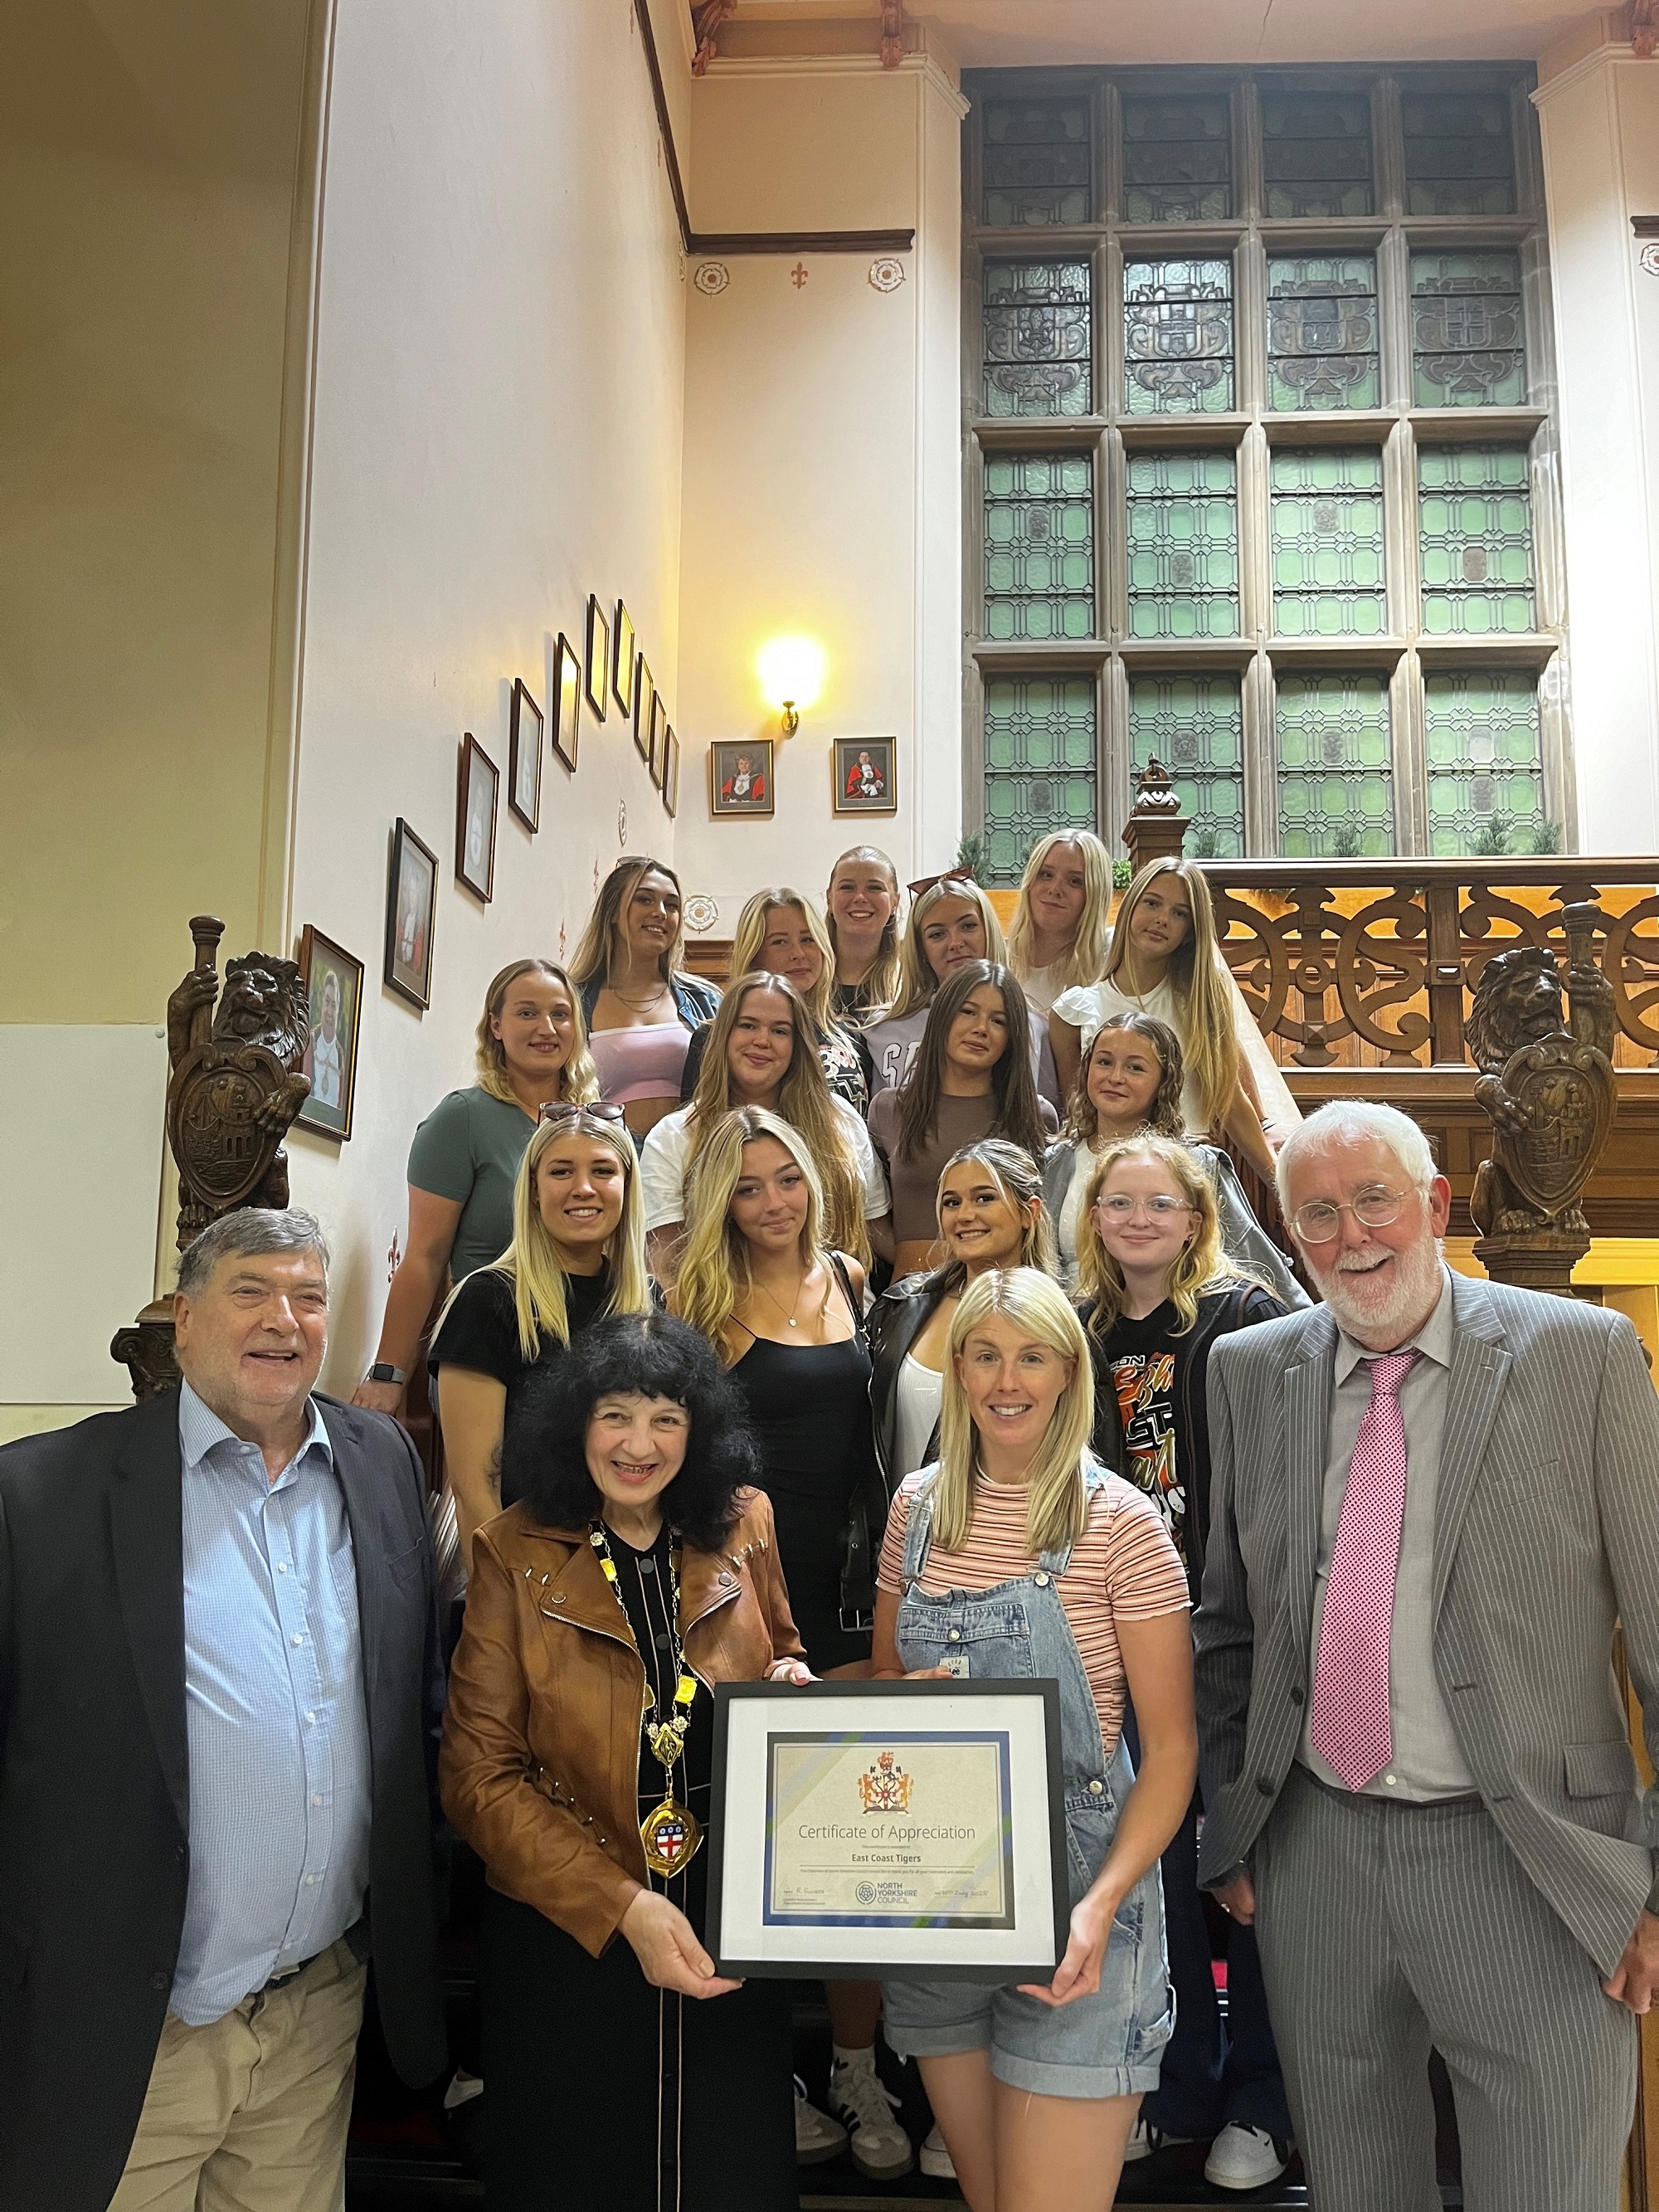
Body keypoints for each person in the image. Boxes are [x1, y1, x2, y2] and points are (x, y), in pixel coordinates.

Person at [1194, 1100, 1659, 2212]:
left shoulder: (1582, 1354)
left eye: (1373, 1200)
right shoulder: (1249, 1370)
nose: (1351, 1235)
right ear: (1292, 1235)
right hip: (1316, 1857)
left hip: (1535, 1864)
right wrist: (1236, 1827)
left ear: (1436, 1205)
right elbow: (1228, 1625)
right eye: (1318, 1213)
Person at [0, 1210, 447, 2212]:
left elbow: (413, 1705)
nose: (281, 1318)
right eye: (250, 1290)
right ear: (185, 1316)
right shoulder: (42, 1496)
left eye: (308, 1295)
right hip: (134, 2035)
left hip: (312, 2016)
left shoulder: (381, 1463)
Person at [440, 1313, 810, 2211]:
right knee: (577, 2174)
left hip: (728, 1924)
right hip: (572, 1932)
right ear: (575, 1424)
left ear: (701, 1429)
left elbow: (782, 1653)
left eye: (665, 1418)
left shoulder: (744, 1524)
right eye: (614, 1415)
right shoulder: (511, 1550)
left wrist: (793, 1682)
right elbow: (476, 1773)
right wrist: (622, 1906)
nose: (638, 1444)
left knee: (726, 2173)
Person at [873, 1269, 1195, 2212]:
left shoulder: (1120, 1522)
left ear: (1066, 1372)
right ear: (959, 1368)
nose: (1005, 1380)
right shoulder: (916, 1509)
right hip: (939, 1893)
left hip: (1076, 1902)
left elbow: (1170, 1751)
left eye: (1030, 1356)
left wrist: (1097, 1907)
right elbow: (888, 1683)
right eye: (983, 1354)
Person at [673, 1107, 910, 2177]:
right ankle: (759, 2065)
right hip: (743, 1596)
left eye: (786, 1179)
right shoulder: (697, 1301)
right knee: (751, 1836)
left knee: (850, 1844)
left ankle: (857, 2064)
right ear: (718, 1198)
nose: (772, 1202)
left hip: (853, 1583)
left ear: (817, 1180)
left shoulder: (856, 1283)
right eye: (747, 1185)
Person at [1073, 1136, 1293, 2190]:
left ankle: (1261, 2095)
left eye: (1158, 1201)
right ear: (1094, 1215)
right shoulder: (1070, 1330)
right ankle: (1173, 2086)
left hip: (1234, 1633)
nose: (1137, 1217)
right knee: (1150, 1865)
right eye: (1118, 1200)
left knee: (1246, 1865)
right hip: (1121, 1636)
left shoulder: (1241, 1316)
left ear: (1195, 1216)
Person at [355, 957, 597, 1416]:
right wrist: (389, 1375)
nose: (546, 1027)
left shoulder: (599, 1127)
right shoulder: (462, 1118)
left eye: (560, 1013)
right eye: (527, 1013)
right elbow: (425, 1258)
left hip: (586, 1354)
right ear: (496, 1026)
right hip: (487, 1352)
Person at [428, 1104, 653, 1568]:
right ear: (533, 1190)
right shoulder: (487, 1301)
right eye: (562, 1171)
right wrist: (505, 1604)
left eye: (603, 1170)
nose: (583, 1188)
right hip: (531, 1577)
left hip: (633, 1575)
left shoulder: (649, 1306)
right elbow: (476, 1491)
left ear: (628, 1188)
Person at [1048, 858, 1300, 1180]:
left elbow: (1230, 1100)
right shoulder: (1075, 1012)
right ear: (1128, 910)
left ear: (1189, 933)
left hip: (1188, 1172)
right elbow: (1080, 1116)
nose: (1162, 920)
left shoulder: (1198, 1006)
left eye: (1179, 913)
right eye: (1152, 903)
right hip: (1105, 1178)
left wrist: (1281, 1191)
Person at [640, 972, 891, 1286]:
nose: (762, 1040)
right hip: (725, 1318)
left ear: (797, 1045)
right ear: (723, 1035)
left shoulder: (840, 1119)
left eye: (780, 1030)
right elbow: (668, 1271)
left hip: (840, 1310)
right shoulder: (674, 1137)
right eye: (748, 1025)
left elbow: (878, 1233)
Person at [1044, 1011, 1306, 1306]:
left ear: (1163, 1082)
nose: (1115, 1078)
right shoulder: (1054, 1163)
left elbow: (1256, 1263)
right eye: (1104, 1062)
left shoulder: (1199, 1165)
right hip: (1071, 1328)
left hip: (1176, 1325)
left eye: (1135, 1068)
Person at [869, 1138, 1071, 1495]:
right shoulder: (901, 1306)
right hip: (901, 1531)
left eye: (984, 1198)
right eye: (952, 1202)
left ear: (1030, 1212)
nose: (964, 1215)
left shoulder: (1067, 1323)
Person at [867, 960, 1058, 1279]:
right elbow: (871, 1217)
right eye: (968, 1012)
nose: (981, 1028)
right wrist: (921, 1267)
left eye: (998, 1021)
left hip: (1003, 1297)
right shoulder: (889, 1109)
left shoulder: (1035, 1116)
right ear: (942, 1017)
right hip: (910, 1300)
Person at [679, 884, 874, 1110]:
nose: (798, 954)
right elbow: (692, 1127)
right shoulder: (715, 1039)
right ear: (754, 956)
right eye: (780, 942)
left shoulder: (850, 1037)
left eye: (808, 939)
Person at [568, 856, 720, 1143]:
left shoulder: (706, 1000)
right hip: (610, 1157)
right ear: (613, 912)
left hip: (694, 1155)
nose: (661, 912)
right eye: (645, 900)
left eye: (672, 905)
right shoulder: (574, 1001)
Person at [864, 873, 1010, 1093]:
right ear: (921, 949)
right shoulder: (882, 1029)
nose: (955, 943)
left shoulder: (1031, 1026)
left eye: (968, 926)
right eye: (937, 934)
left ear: (988, 929)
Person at [1005, 831, 1116, 1021]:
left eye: (1075, 881)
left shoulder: (1112, 954)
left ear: (1096, 893)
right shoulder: (1000, 958)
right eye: (1046, 875)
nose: (1055, 889)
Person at [825, 844, 904, 1026]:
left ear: (894, 902)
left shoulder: (911, 986)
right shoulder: (805, 979)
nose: (860, 897)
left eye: (875, 888)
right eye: (847, 887)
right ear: (829, 899)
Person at [303, 968, 344, 1108]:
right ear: (321, 1003)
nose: (329, 1011)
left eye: (334, 1005)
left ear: (338, 1009)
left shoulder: (340, 1054)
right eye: (327, 1002)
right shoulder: (310, 1042)